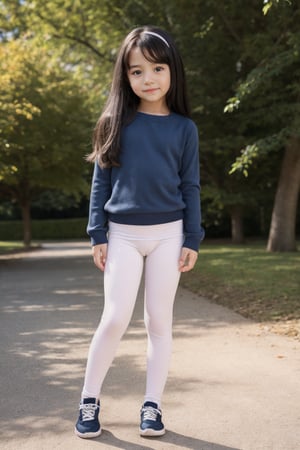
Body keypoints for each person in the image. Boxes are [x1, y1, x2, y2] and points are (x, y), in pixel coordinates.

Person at [75, 25, 205, 439]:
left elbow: (190, 186)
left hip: (169, 235)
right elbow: (101, 182)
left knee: (158, 322)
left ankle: (152, 405)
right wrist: (98, 233)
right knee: (114, 318)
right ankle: (89, 400)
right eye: (136, 71)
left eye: (157, 68)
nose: (147, 79)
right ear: (125, 77)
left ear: (172, 72)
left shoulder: (184, 128)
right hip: (123, 235)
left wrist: (192, 238)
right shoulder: (115, 121)